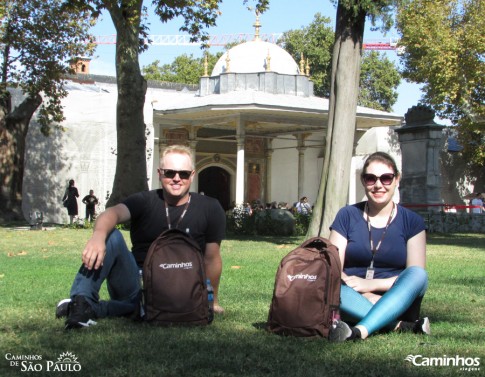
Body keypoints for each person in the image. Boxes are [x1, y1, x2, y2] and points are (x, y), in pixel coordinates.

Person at [56, 145, 226, 329]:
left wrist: (212, 301)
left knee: (141, 308)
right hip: (137, 283)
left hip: (180, 285)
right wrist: (98, 236)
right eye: (170, 173)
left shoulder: (210, 208)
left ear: (192, 175)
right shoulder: (144, 201)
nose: (177, 179)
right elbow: (113, 213)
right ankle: (82, 302)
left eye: (183, 174)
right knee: (111, 235)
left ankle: (91, 307)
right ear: (160, 174)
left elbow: (211, 258)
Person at [328, 151, 429, 341]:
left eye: (386, 178)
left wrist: (371, 285)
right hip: (351, 294)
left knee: (418, 275)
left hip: (397, 296)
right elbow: (334, 267)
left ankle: (359, 331)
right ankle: (399, 325)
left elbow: (413, 274)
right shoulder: (347, 215)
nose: (378, 185)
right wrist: (364, 294)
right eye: (370, 178)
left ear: (397, 179)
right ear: (363, 181)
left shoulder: (412, 221)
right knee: (328, 282)